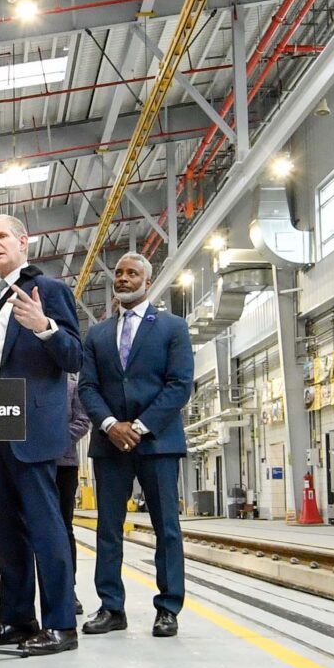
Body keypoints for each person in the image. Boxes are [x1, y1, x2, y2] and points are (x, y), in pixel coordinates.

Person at [0, 214, 86, 655]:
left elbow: (74, 357)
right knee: (7, 531)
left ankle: (60, 624)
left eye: (1, 236)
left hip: (31, 427)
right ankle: (15, 617)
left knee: (46, 529)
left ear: (23, 242)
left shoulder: (49, 291)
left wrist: (42, 326)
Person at [78, 251, 196, 637]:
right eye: (119, 273)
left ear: (147, 281)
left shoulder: (172, 327)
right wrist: (111, 425)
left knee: (167, 527)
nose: (123, 278)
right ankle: (112, 608)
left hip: (158, 442)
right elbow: (88, 387)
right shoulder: (96, 335)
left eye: (132, 273)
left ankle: (168, 608)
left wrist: (140, 426)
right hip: (110, 444)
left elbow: (180, 384)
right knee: (108, 528)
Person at [58, 372, 89, 614]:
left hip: (63, 465)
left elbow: (82, 422)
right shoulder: (27, 385)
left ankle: (68, 589)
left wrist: (54, 440)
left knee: (63, 527)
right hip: (32, 464)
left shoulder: (72, 388)